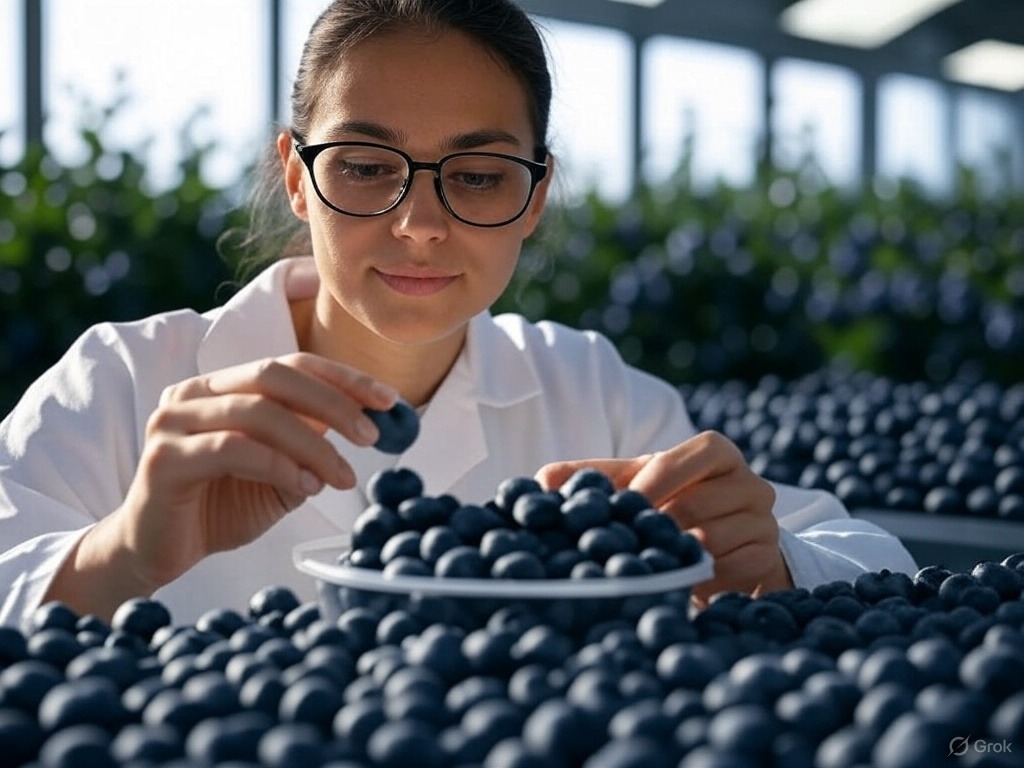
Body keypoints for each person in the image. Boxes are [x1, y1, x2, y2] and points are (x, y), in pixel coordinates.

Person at [0, 0, 916, 629]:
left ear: (535, 195)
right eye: (364, 165)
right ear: (296, 176)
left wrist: (774, 560)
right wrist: (117, 555)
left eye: (478, 176)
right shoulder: (123, 384)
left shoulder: (587, 390)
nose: (422, 225)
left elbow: (881, 563)